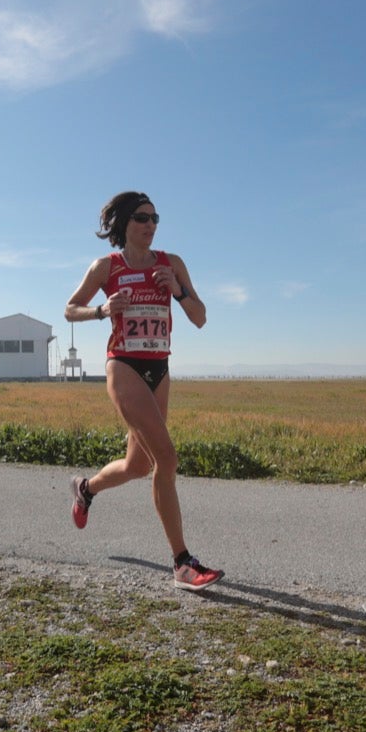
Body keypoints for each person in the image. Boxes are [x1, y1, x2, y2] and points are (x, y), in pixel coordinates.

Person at [64, 191, 222, 592]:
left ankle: (85, 488)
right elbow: (70, 308)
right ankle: (183, 563)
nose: (150, 225)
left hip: (160, 369)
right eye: (141, 218)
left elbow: (201, 318)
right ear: (123, 225)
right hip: (124, 366)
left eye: (155, 218)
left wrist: (179, 291)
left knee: (138, 466)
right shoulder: (107, 267)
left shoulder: (172, 264)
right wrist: (103, 310)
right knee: (166, 458)